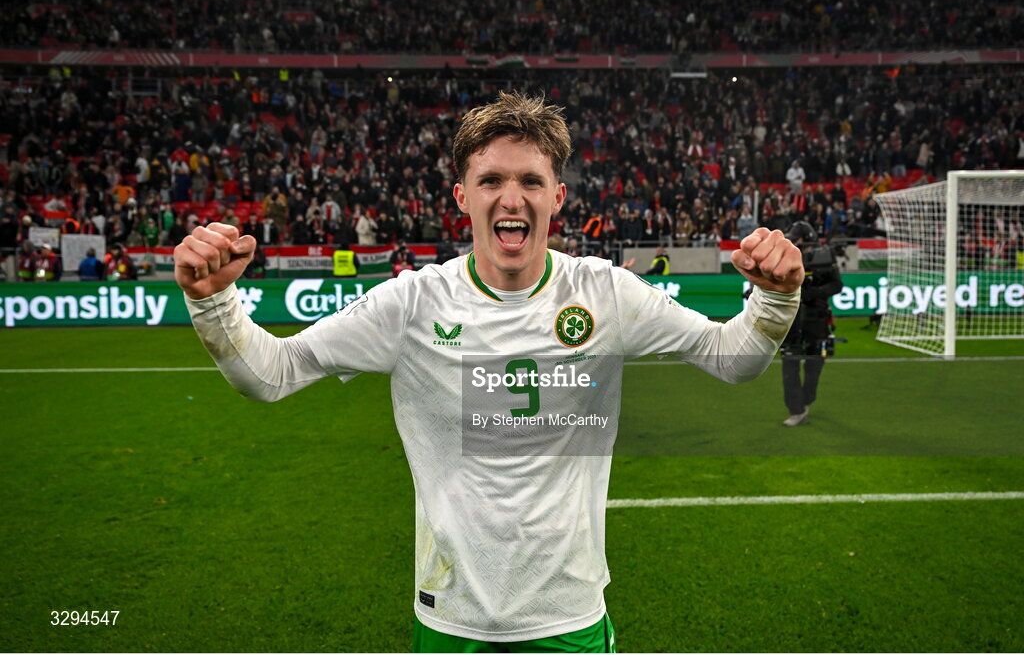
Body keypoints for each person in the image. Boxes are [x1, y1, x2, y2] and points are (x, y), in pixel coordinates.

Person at [173, 92, 803, 653]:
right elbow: (273, 372)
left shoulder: (605, 293)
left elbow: (733, 358)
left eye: (531, 181)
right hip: (452, 621)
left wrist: (776, 299)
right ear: (462, 197)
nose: (511, 198)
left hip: (568, 618)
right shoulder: (412, 303)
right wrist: (212, 300)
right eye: (491, 179)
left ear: (557, 196)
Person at [779, 221, 843, 427]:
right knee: (789, 363)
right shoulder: (786, 258)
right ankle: (796, 410)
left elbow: (837, 285)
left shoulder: (824, 258)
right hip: (792, 319)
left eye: (796, 240)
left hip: (817, 319)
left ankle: (806, 401)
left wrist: (813, 293)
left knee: (815, 364)